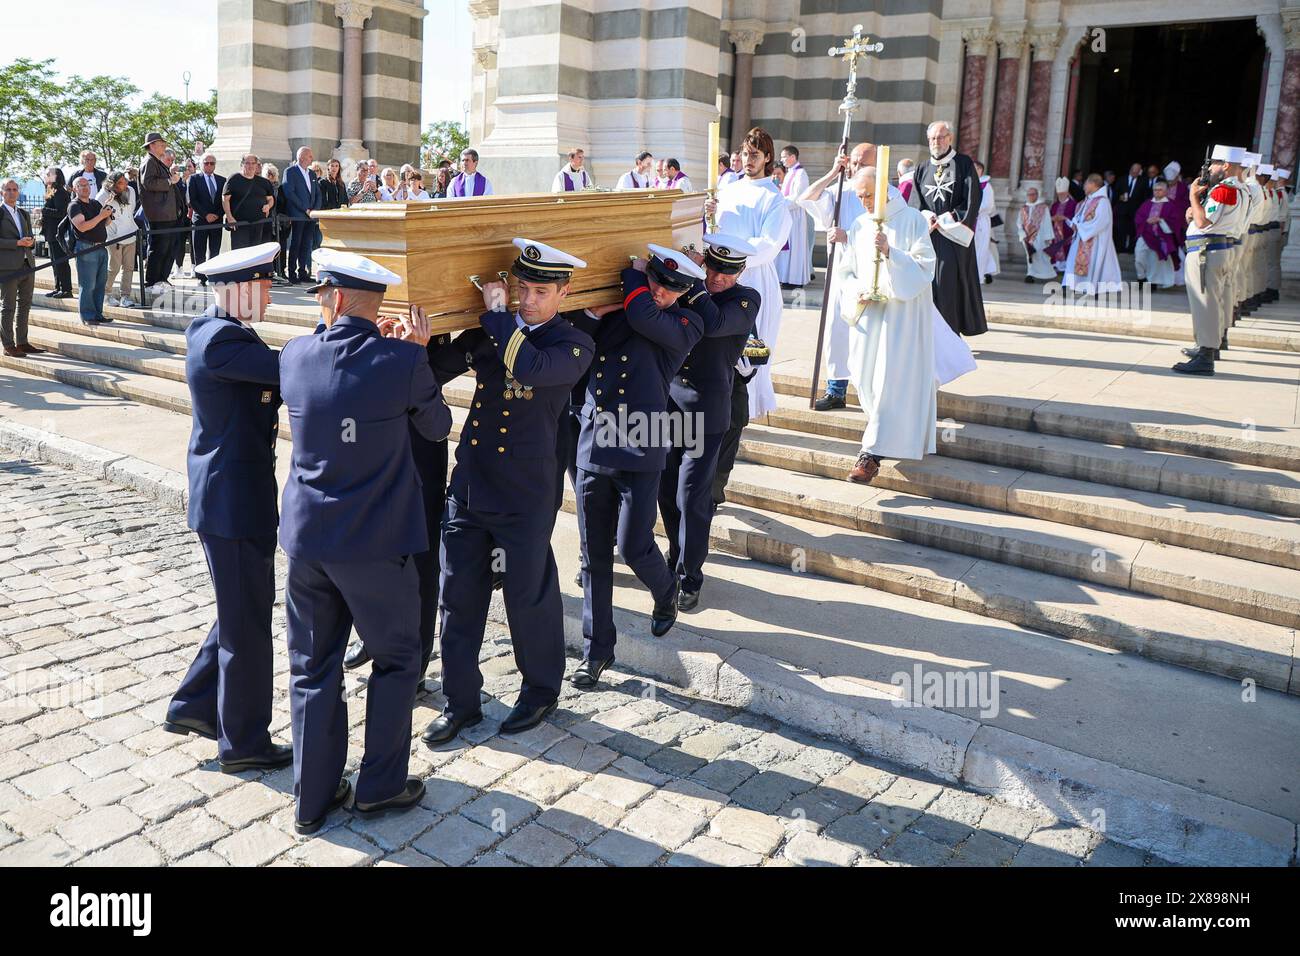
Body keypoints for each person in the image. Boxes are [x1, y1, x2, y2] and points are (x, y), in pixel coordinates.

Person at [279, 252, 451, 834]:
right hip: (376, 545)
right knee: (398, 660)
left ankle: (312, 798)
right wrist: (416, 357)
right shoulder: (401, 361)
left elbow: (333, 373)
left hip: (307, 540)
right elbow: (436, 427)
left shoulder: (296, 355)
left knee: (311, 666)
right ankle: (379, 787)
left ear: (332, 296)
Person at [420, 238, 594, 742]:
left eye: (541, 291)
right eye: (523, 289)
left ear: (565, 292)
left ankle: (540, 690)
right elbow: (435, 370)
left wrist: (497, 317)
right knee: (458, 596)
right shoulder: (486, 332)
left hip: (526, 493)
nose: (528, 300)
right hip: (472, 484)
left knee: (527, 596)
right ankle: (460, 701)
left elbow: (530, 368)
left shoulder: (574, 342)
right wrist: (422, 342)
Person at [164, 241, 292, 778]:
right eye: (262, 285)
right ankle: (243, 742)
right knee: (247, 625)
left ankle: (193, 705)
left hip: (233, 495)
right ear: (237, 288)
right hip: (233, 502)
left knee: (240, 606)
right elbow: (290, 370)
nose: (268, 294)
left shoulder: (221, 332)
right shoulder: (223, 343)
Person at [564, 245, 704, 689]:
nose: (661, 293)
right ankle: (596, 651)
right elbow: (577, 334)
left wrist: (632, 276)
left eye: (671, 288)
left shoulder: (686, 323)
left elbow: (645, 316)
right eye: (657, 282)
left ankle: (665, 591)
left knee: (634, 545)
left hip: (642, 441)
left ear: (683, 294)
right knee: (593, 555)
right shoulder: (624, 310)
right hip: (596, 438)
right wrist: (590, 307)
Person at [657, 234, 759, 612]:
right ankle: (674, 558)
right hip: (669, 406)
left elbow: (715, 324)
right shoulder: (690, 287)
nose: (718, 278)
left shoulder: (744, 299)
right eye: (713, 268)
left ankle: (690, 576)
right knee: (666, 492)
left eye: (727, 272)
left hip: (707, 412)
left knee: (692, 497)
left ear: (741, 272)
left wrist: (694, 278)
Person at [834, 166, 938, 485]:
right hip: (868, 315)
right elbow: (846, 272)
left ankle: (870, 455)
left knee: (888, 380)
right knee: (867, 380)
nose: (863, 201)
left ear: (883, 191)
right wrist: (858, 291)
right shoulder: (859, 224)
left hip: (899, 320)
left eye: (867, 195)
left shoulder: (913, 220)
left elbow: (925, 268)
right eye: (859, 196)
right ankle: (883, 438)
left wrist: (892, 253)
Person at [707, 126, 790, 427]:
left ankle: (744, 413)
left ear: (768, 157)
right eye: (745, 153)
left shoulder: (774, 199)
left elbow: (768, 244)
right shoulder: (728, 188)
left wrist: (733, 259)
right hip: (719, 275)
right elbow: (715, 232)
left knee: (746, 348)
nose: (748, 159)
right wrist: (709, 215)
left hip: (752, 278)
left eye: (755, 154)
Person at [798, 142, 874, 411]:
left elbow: (890, 236)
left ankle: (872, 394)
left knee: (868, 336)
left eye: (862, 163)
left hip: (872, 277)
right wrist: (833, 172)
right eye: (853, 162)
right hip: (841, 274)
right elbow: (806, 198)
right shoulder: (841, 190)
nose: (855, 168)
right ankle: (836, 390)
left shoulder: (886, 195)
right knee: (836, 330)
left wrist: (848, 236)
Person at [1174, 145, 1248, 376]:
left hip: (1207, 250)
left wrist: (1192, 197)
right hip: (1217, 247)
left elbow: (1204, 222)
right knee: (1211, 300)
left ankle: (1206, 355)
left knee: (1205, 302)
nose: (1210, 168)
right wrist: (1194, 210)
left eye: (1215, 164)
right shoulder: (1241, 190)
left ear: (1225, 166)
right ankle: (1206, 347)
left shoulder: (1223, 190)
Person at [907, 120, 986, 336]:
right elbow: (915, 203)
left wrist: (946, 219)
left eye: (941, 137)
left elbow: (972, 199)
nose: (936, 142)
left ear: (950, 138)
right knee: (927, 285)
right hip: (928, 236)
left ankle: (949, 336)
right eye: (932, 138)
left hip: (953, 239)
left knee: (949, 286)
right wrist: (926, 217)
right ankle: (925, 334)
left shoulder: (963, 164)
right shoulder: (922, 168)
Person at [0, 180, 43, 358]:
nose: (11, 192)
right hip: (7, 268)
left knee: (25, 305)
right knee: (8, 307)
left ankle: (22, 342)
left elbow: (29, 236)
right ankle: (8, 345)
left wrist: (30, 241)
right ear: (2, 192)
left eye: (14, 190)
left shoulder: (23, 213)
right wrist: (16, 243)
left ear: (18, 192)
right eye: (8, 190)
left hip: (27, 265)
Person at [1063, 174, 1122, 297]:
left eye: (1085, 184)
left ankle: (1092, 289)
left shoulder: (1103, 202)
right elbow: (1079, 216)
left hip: (1095, 241)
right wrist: (1074, 223)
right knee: (1072, 260)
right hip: (1081, 237)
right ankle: (1070, 286)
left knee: (1094, 264)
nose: (1083, 186)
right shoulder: (1087, 200)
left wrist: (1080, 227)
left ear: (1093, 184)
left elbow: (1100, 222)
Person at [67, 175, 113, 326]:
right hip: (86, 248)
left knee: (100, 284)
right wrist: (101, 215)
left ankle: (97, 313)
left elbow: (103, 224)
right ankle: (87, 315)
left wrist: (107, 214)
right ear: (75, 189)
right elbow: (82, 226)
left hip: (101, 247)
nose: (85, 187)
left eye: (87, 185)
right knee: (88, 285)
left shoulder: (94, 203)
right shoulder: (74, 205)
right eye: (81, 185)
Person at [139, 132, 180, 295]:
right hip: (158, 213)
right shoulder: (149, 161)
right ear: (152, 145)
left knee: (168, 247)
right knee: (158, 248)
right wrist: (170, 180)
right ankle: (151, 281)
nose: (164, 146)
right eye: (161, 144)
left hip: (167, 213)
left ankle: (161, 279)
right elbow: (147, 183)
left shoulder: (157, 162)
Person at [96, 172, 139, 308]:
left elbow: (131, 209)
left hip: (130, 233)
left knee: (129, 267)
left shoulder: (130, 190)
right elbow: (99, 216)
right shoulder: (102, 195)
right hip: (114, 237)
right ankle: (106, 294)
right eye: (120, 183)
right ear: (112, 184)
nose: (125, 184)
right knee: (113, 268)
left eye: (125, 181)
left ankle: (125, 296)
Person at [281, 146, 322, 284]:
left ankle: (303, 272)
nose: (312, 158)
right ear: (302, 157)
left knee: (306, 244)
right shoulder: (290, 171)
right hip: (298, 214)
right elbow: (289, 192)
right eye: (310, 156)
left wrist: (315, 210)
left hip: (310, 216)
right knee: (296, 243)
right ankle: (292, 272)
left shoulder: (312, 174)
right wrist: (305, 209)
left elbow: (317, 193)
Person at [1133, 180, 1181, 290]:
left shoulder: (1170, 205)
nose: (1157, 192)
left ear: (1166, 191)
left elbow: (1175, 221)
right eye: (1155, 190)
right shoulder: (1147, 203)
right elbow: (1138, 217)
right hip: (1145, 235)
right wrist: (1147, 221)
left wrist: (1160, 220)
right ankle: (1141, 277)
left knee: (1154, 261)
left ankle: (1152, 282)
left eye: (1160, 190)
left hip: (1161, 237)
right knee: (1139, 258)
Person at [776, 145, 812, 287]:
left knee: (794, 247)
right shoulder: (791, 172)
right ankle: (785, 277)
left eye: (784, 157)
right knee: (786, 248)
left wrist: (782, 203)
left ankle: (795, 280)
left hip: (795, 216)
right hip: (788, 214)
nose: (782, 160)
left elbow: (798, 197)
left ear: (792, 157)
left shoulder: (801, 173)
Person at [223, 154, 276, 249]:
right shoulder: (234, 179)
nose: (250, 166)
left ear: (257, 165)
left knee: (255, 255)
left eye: (253, 163)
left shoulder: (264, 182)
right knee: (240, 255)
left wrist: (268, 206)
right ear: (242, 164)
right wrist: (230, 217)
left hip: (258, 224)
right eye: (247, 163)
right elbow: (225, 199)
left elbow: (271, 199)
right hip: (239, 224)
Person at [188, 154, 225, 276]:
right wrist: (206, 215)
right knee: (199, 251)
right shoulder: (194, 179)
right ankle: (201, 277)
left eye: (212, 163)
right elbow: (193, 200)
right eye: (206, 163)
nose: (209, 165)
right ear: (201, 164)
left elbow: (224, 201)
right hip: (200, 221)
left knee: (215, 250)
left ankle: (213, 275)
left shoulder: (222, 180)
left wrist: (217, 215)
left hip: (217, 221)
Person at [40, 168, 72, 299]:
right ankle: (58, 287)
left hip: (58, 232)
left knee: (61, 261)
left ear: (56, 176)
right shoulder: (51, 190)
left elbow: (61, 212)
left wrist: (43, 210)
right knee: (54, 261)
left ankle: (66, 289)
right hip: (51, 232)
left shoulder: (60, 192)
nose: (45, 176)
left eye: (48, 174)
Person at [1018, 186, 1055, 282]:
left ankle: (1041, 274)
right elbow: (1019, 222)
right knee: (1029, 255)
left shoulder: (1043, 207)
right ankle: (1030, 274)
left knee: (1038, 254)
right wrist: (1022, 232)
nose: (1030, 196)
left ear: (1037, 195)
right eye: (1029, 194)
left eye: (1032, 194)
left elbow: (1047, 222)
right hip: (1027, 236)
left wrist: (1048, 237)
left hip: (1040, 235)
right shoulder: (1023, 208)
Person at [973, 160, 999, 283]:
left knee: (980, 248)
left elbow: (988, 205)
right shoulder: (969, 183)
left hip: (980, 220)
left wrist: (971, 209)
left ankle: (978, 276)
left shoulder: (986, 186)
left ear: (980, 170)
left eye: (976, 168)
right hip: (969, 220)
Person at [1047, 177, 1078, 272]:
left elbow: (1075, 217)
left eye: (1062, 194)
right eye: (1059, 194)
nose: (1060, 195)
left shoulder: (1073, 204)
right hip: (1055, 231)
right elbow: (1049, 217)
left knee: (1066, 248)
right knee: (1055, 247)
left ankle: (1065, 266)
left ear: (1067, 193)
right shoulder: (1055, 205)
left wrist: (1064, 218)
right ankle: (1056, 264)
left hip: (1066, 231)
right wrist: (1052, 218)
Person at [172, 161, 194, 279]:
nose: (186, 169)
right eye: (184, 167)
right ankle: (178, 267)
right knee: (179, 243)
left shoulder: (196, 180)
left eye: (189, 167)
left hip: (193, 216)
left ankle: (194, 267)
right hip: (181, 217)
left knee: (194, 243)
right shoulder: (178, 182)